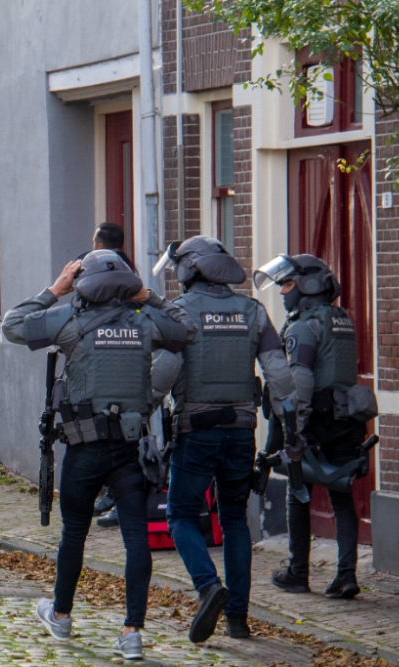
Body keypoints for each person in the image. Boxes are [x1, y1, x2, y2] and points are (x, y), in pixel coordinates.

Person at [2, 250, 195, 661]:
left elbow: (13, 326)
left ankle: (62, 613)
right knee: (135, 538)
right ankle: (132, 633)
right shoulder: (144, 323)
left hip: (84, 450)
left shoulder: (70, 322)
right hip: (130, 451)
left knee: (74, 532)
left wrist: (54, 289)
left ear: (81, 283)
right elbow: (188, 331)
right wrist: (149, 297)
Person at [155, 236, 301, 642]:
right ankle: (238, 618)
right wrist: (292, 428)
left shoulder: (180, 313)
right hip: (241, 432)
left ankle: (207, 586)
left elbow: (162, 376)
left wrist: (140, 414)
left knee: (182, 516)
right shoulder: (253, 311)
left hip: (196, 432)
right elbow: (281, 376)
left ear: (190, 270)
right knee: (235, 520)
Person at [254, 254, 365, 600]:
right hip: (347, 422)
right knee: (342, 498)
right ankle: (347, 575)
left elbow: (299, 383)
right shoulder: (342, 320)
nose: (282, 292)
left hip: (315, 424)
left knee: (298, 493)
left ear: (308, 286)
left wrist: (293, 434)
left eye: (286, 284)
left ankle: (297, 572)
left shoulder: (303, 326)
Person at [81, 222, 137, 526]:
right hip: (127, 358)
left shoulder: (108, 269)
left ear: (100, 246)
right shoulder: (129, 269)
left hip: (113, 357)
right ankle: (113, 496)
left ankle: (116, 499)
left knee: (110, 430)